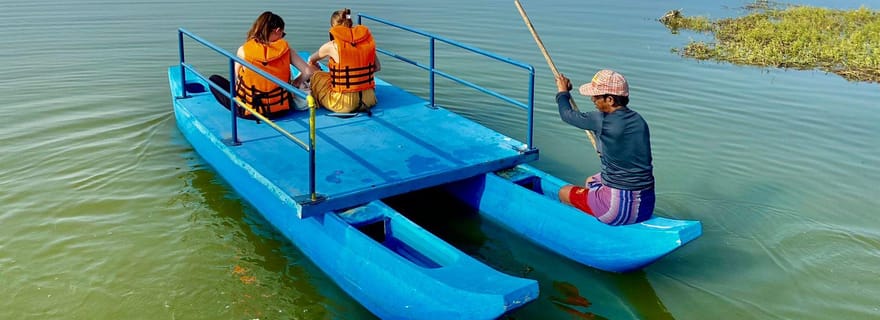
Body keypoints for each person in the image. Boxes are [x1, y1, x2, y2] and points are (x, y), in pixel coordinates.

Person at [555, 69, 655, 226]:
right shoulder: (639, 120)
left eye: (596, 96)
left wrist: (562, 92)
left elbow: (566, 114)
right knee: (591, 181)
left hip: (618, 211)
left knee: (563, 192)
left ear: (610, 99)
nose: (592, 99)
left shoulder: (600, 120)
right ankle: (595, 205)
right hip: (646, 206)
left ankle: (577, 225)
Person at [209, 11, 317, 120]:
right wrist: (296, 81)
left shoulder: (243, 50)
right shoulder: (287, 51)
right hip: (281, 110)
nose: (282, 37)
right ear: (277, 31)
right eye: (282, 34)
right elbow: (308, 71)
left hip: (250, 112)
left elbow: (236, 78)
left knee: (213, 80)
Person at [306, 8, 381, 114]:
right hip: (369, 99)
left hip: (344, 104)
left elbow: (311, 59)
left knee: (317, 76)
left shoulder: (331, 46)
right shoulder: (366, 43)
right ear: (351, 24)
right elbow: (377, 67)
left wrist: (313, 66)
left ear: (333, 28)